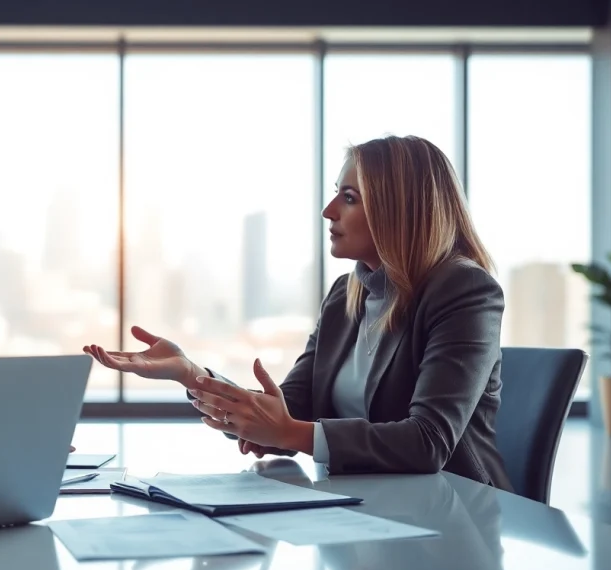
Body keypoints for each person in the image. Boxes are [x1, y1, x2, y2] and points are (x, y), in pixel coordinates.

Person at [85, 135, 513, 490]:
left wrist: (289, 432)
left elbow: (428, 442)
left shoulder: (464, 290)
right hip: (364, 507)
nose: (329, 212)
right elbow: (290, 410)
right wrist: (190, 373)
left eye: (349, 198)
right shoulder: (346, 296)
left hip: (454, 513)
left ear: (399, 208)